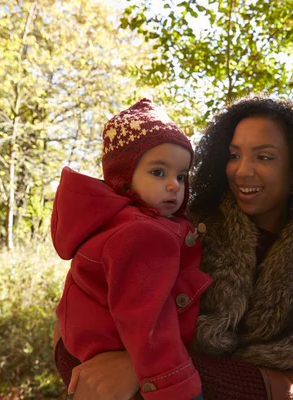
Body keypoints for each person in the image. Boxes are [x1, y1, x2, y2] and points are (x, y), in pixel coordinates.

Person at [56, 96, 293, 400]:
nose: (242, 171)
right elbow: (78, 322)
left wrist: (155, 371)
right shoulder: (181, 231)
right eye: (233, 155)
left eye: (264, 157)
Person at [51, 98, 212, 400]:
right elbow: (148, 323)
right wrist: (176, 386)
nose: (175, 186)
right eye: (158, 173)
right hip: (134, 368)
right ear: (123, 177)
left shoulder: (113, 222)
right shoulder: (141, 234)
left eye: (181, 176)